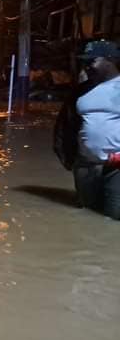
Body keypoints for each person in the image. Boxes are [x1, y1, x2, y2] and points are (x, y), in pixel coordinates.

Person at [62, 40, 120, 219]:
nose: (87, 66)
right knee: (86, 216)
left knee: (112, 218)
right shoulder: (81, 91)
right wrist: (68, 157)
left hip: (116, 167)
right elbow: (67, 125)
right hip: (85, 165)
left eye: (92, 61)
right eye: (84, 62)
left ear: (110, 60)